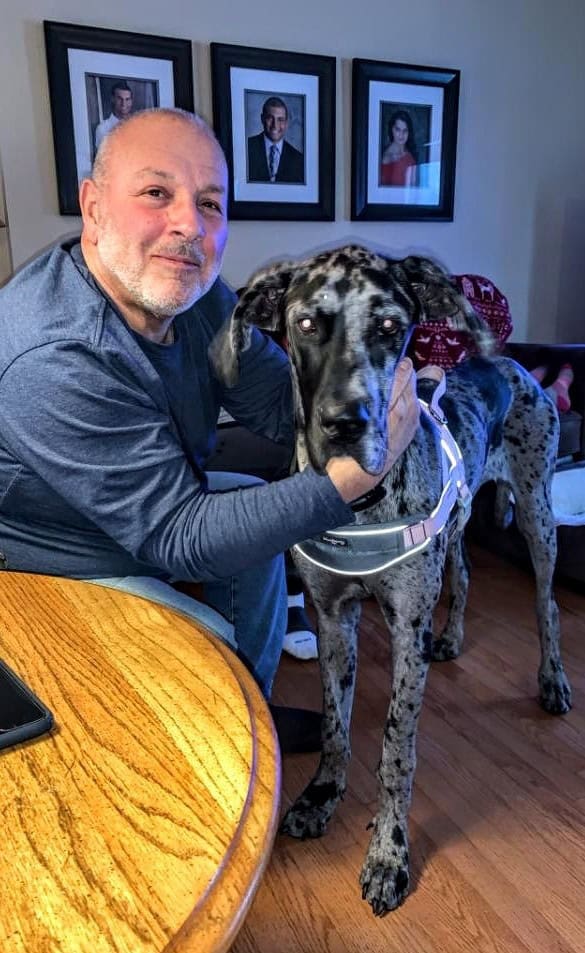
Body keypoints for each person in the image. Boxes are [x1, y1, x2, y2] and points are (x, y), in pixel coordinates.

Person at [0, 108, 418, 747]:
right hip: (47, 562)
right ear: (93, 205)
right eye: (156, 193)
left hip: (143, 511)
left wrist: (355, 380)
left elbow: (280, 407)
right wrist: (355, 477)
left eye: (210, 203)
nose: (188, 225)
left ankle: (250, 716)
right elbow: (178, 536)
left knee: (256, 530)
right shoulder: (54, 352)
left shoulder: (196, 299)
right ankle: (222, 732)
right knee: (211, 646)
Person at [247, 96, 304, 184]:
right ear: (262, 119)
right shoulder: (247, 148)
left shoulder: (298, 159)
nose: (275, 125)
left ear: (286, 123)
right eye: (270, 118)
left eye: (280, 119)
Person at [380, 109, 417, 187]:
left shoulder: (410, 157)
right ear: (392, 129)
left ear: (409, 132)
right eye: (398, 129)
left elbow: (413, 189)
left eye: (405, 130)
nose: (401, 135)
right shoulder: (383, 156)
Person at [94, 80, 133, 151]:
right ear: (113, 99)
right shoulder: (102, 128)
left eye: (127, 99)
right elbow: (103, 159)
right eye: (120, 99)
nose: (124, 103)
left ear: (131, 101)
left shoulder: (137, 125)